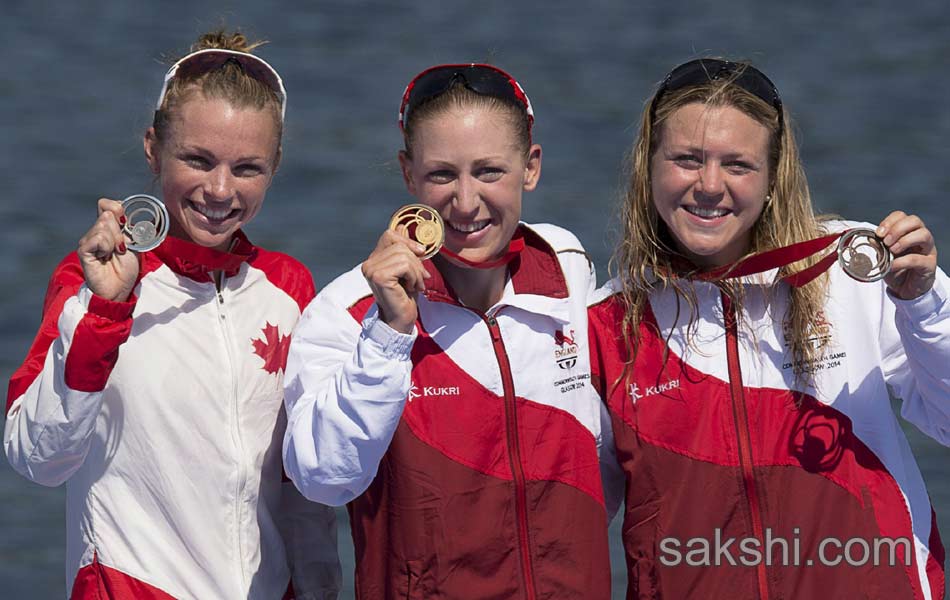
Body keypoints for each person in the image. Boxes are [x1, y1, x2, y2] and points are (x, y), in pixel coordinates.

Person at [588, 57, 948, 599]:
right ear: (649, 165)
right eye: (686, 159)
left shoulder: (853, 269)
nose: (709, 186)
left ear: (773, 175)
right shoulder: (607, 325)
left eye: (738, 165)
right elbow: (566, 523)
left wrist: (924, 304)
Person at [4, 30, 340, 599]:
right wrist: (105, 311)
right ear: (153, 148)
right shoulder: (93, 282)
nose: (219, 189)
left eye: (248, 167)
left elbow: (299, 491)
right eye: (197, 159)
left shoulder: (288, 288)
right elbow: (37, 458)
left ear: (276, 165)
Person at [283, 63, 616, 598]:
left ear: (530, 167)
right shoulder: (347, 311)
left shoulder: (566, 267)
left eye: (489, 171)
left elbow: (598, 462)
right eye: (442, 174)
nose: (465, 201)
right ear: (408, 175)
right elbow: (322, 478)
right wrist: (389, 336)